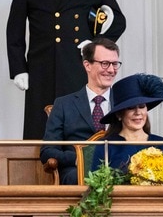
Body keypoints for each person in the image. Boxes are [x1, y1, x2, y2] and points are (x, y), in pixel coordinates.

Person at [6, 0, 126, 139]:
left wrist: (95, 45)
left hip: (79, 66)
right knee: (40, 130)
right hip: (42, 68)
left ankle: (83, 165)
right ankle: (41, 167)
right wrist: (18, 68)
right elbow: (15, 27)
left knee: (80, 125)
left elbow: (118, 21)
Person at [40, 38, 120, 184]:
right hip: (77, 173)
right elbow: (47, 151)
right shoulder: (64, 104)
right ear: (87, 65)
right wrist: (78, 158)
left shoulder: (124, 103)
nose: (111, 70)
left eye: (115, 64)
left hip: (118, 169)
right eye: (105, 63)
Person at [91, 73, 163, 173]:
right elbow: (96, 185)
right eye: (130, 108)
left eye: (141, 106)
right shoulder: (106, 146)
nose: (138, 112)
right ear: (119, 114)